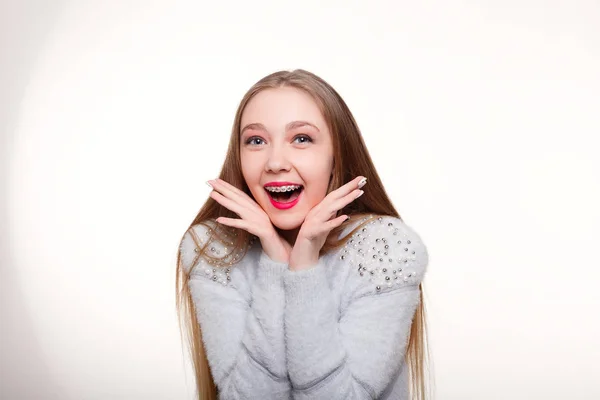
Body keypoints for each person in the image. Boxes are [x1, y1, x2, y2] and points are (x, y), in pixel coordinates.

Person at [176, 69, 431, 400]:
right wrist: (275, 262)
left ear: (337, 154)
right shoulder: (213, 248)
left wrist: (305, 266)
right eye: (256, 141)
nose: (276, 162)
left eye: (301, 139)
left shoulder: (386, 247)